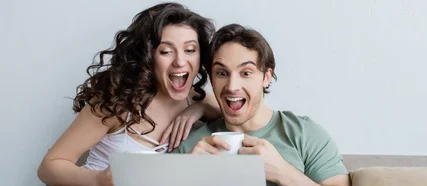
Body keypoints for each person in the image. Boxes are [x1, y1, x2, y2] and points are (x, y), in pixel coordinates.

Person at [37, 2, 220, 186]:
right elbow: (48, 167)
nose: (180, 61)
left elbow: (238, 113)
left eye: (190, 50)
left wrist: (199, 107)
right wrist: (99, 180)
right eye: (166, 51)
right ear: (148, 55)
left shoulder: (194, 97)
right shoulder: (118, 100)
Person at [172, 24, 351, 186]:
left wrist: (283, 173)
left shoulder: (305, 135)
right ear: (211, 78)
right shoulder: (192, 147)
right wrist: (190, 174)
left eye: (246, 73)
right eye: (222, 73)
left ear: (266, 77)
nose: (232, 86)